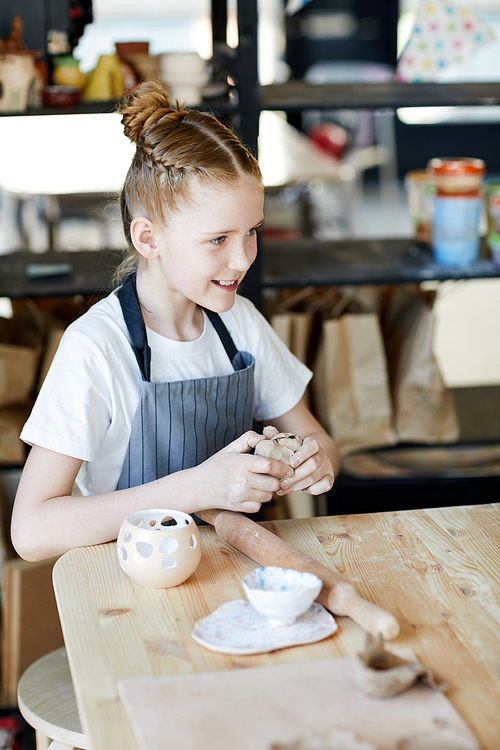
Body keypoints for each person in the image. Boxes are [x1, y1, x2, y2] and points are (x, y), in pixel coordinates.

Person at [11, 80, 339, 562]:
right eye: (217, 240)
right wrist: (194, 489)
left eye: (251, 232)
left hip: (235, 566)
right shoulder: (96, 347)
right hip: (131, 581)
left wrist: (314, 462)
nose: (243, 258)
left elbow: (319, 439)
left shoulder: (241, 327)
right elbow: (32, 529)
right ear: (148, 239)